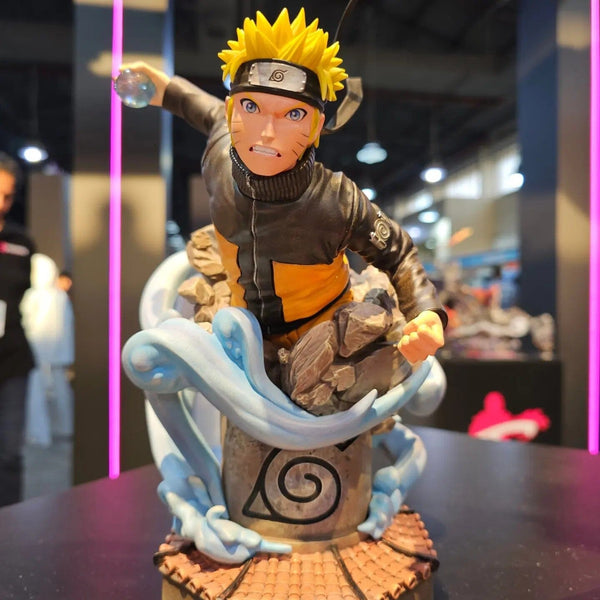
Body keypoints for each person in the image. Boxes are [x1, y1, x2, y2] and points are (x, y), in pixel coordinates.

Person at [121, 7, 445, 364]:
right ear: (231, 112)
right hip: (240, 330)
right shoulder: (219, 152)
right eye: (251, 107)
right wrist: (161, 88)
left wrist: (426, 314)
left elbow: (397, 252)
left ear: (316, 127)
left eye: (293, 114)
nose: (267, 132)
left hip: (324, 339)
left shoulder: (337, 201)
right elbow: (197, 106)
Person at [0, 152, 35, 506]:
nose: (1, 203)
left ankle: (9, 523)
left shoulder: (21, 242)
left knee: (10, 452)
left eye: (8, 196)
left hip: (13, 358)